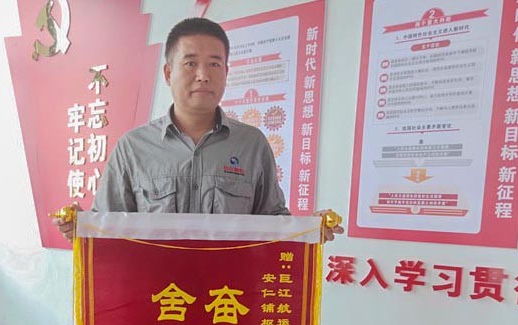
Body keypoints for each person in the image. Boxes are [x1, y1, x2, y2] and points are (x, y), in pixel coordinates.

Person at [55, 17, 343, 240]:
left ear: (226, 72)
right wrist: (83, 226)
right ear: (168, 73)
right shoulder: (133, 147)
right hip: (157, 293)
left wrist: (309, 229)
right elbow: (108, 228)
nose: (203, 75)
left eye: (214, 65)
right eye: (190, 63)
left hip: (228, 293)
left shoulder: (252, 144)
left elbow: (272, 224)